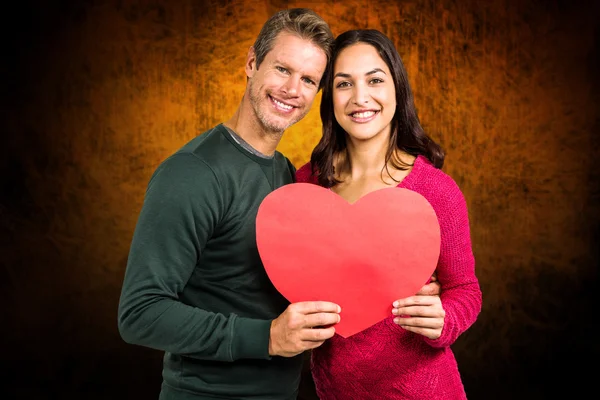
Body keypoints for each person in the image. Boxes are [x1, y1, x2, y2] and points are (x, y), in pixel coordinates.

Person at [117, 9, 344, 400]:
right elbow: (139, 313)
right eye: (282, 69)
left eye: (308, 80)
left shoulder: (289, 174)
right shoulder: (192, 173)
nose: (293, 89)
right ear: (252, 62)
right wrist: (268, 337)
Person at [296, 29, 482, 399]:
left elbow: (466, 290)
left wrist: (446, 318)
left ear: (397, 88)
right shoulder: (306, 186)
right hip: (333, 390)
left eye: (375, 80)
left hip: (425, 391)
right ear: (329, 97)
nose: (360, 97)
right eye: (343, 83)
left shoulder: (436, 191)